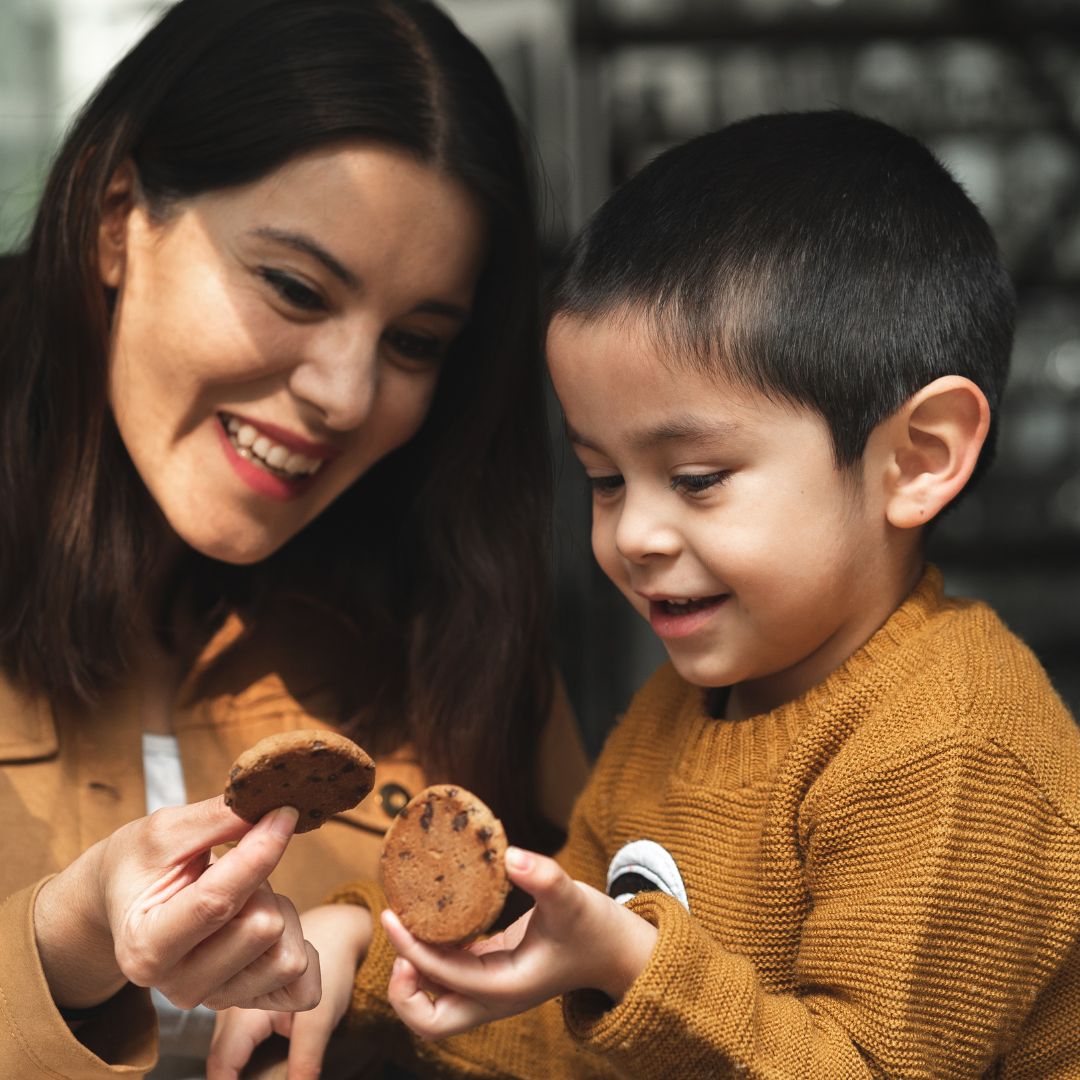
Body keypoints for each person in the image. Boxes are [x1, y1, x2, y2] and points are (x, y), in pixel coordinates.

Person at [212, 110, 1080, 1079]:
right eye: (606, 478)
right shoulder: (678, 715)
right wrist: (367, 960)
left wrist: (631, 964)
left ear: (917, 459)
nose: (633, 536)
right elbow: (576, 1035)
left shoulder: (955, 747)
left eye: (698, 478)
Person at [0, 1, 589, 1078]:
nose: (344, 394)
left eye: (414, 342)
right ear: (116, 216)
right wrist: (63, 945)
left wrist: (392, 975)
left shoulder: (457, 623)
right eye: (293, 287)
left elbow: (604, 1013)